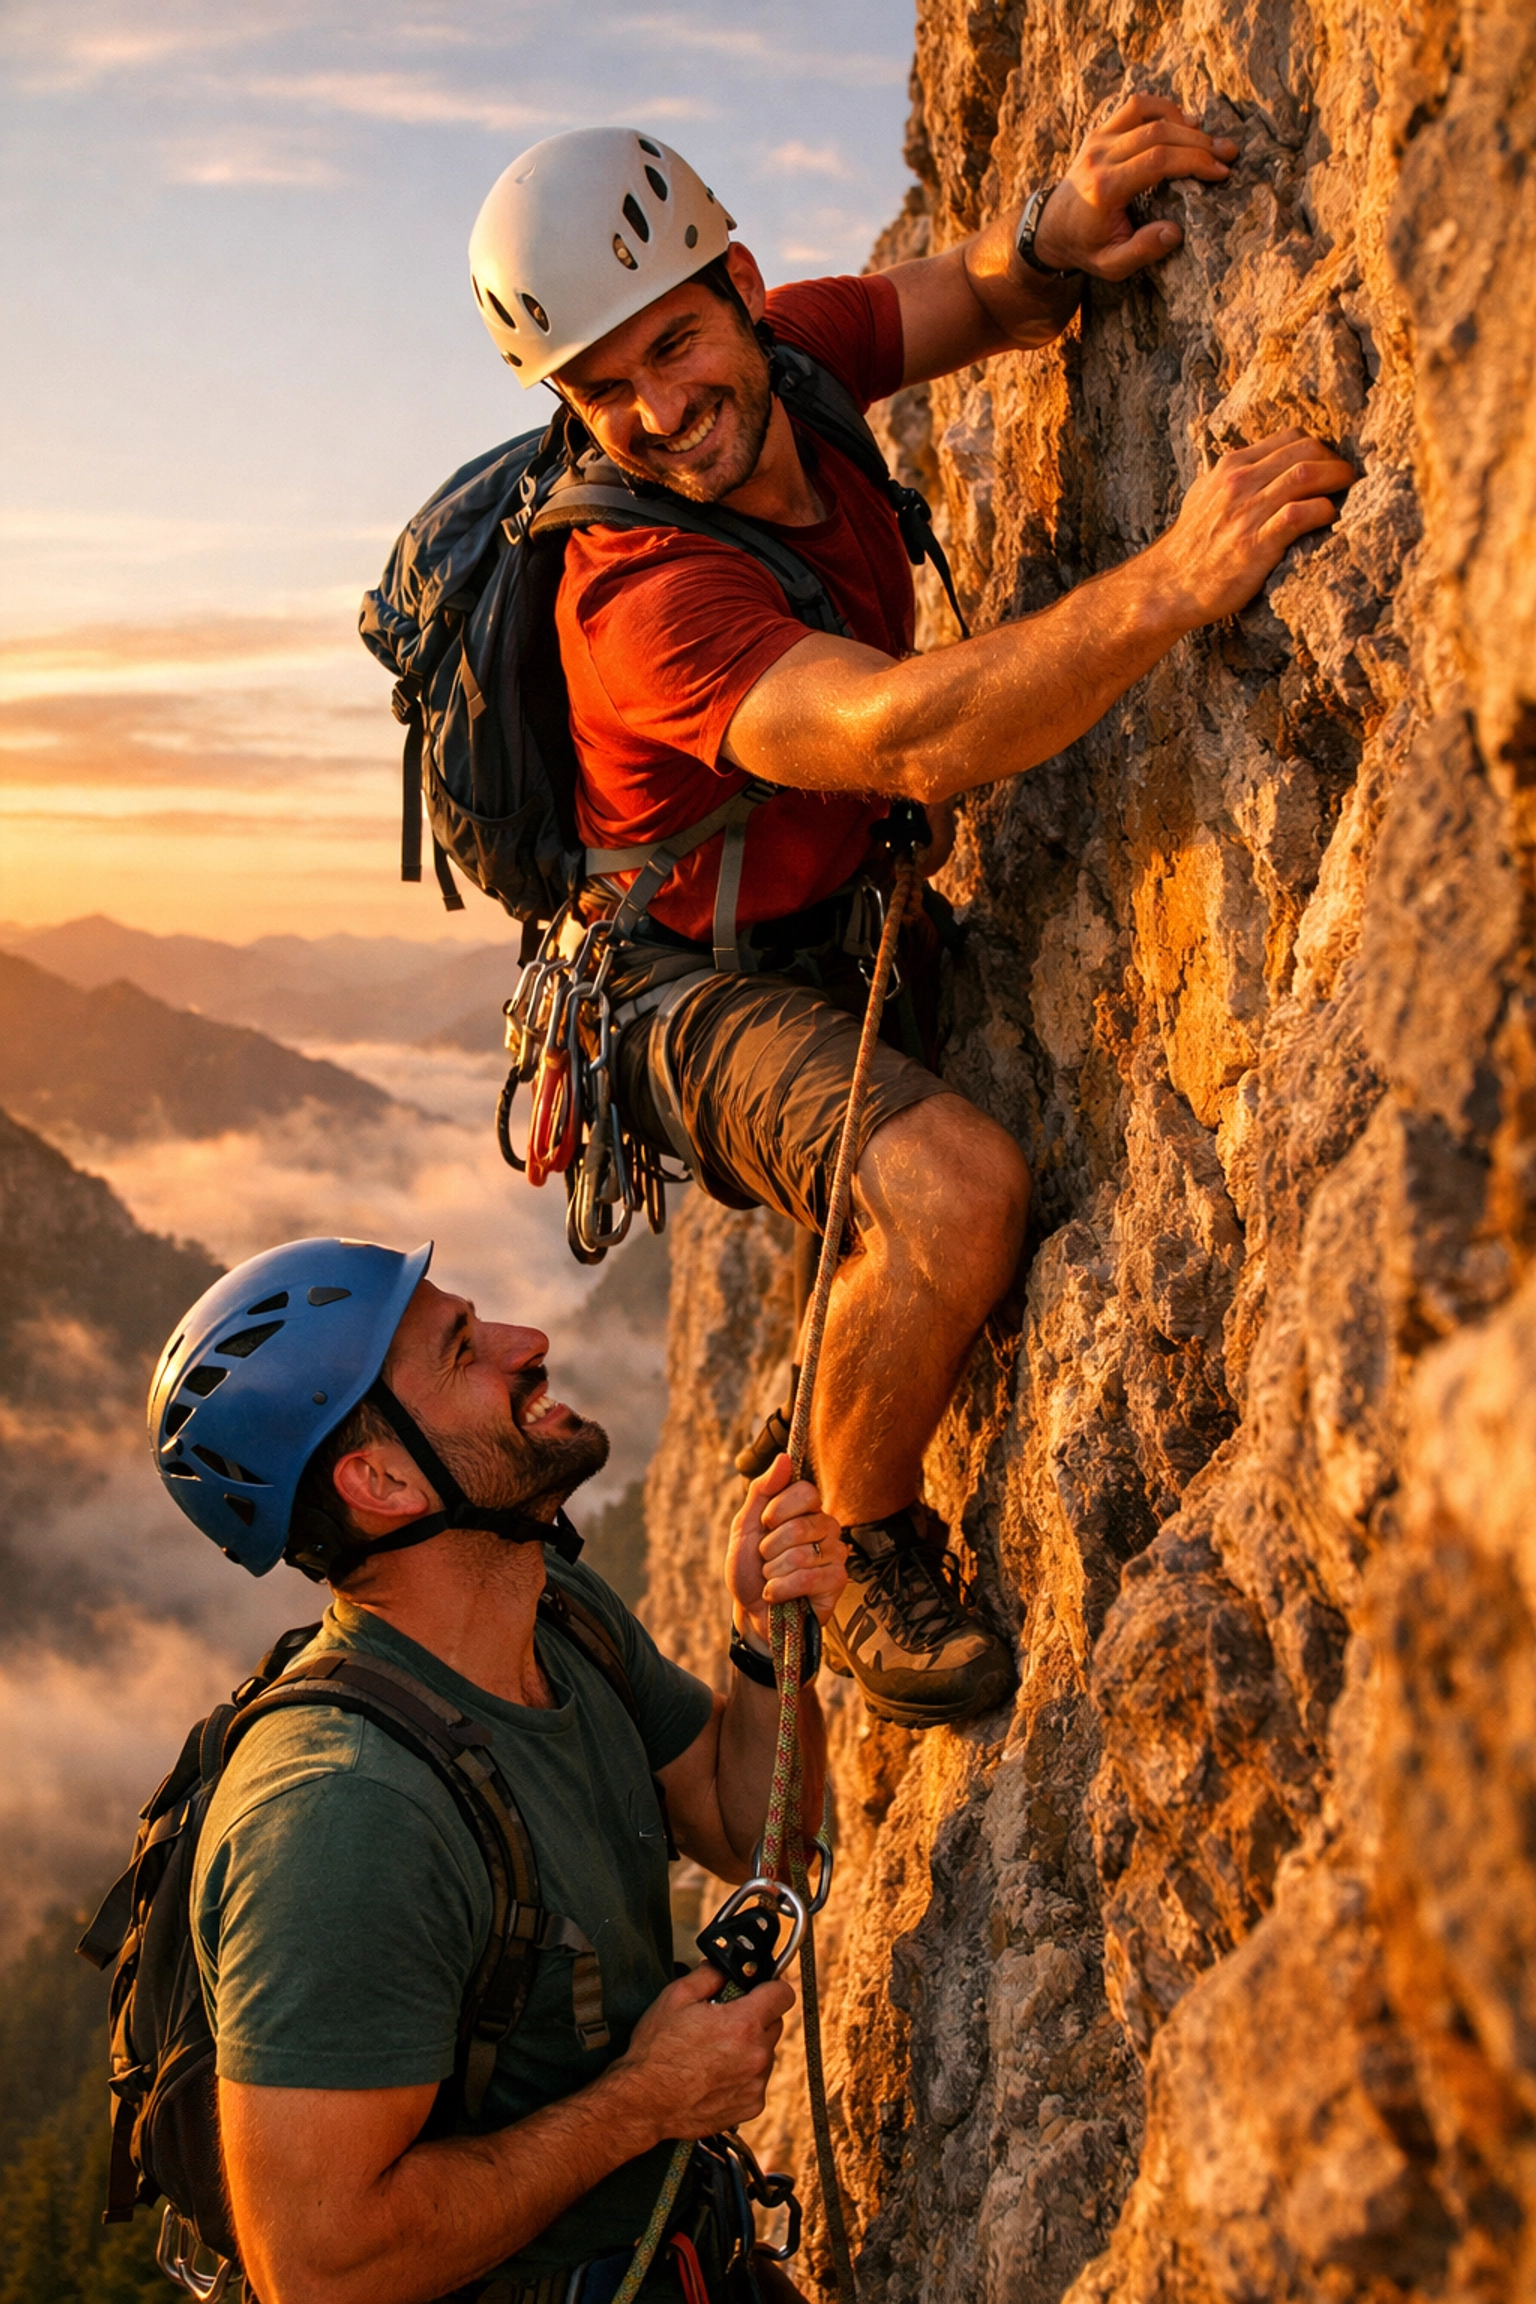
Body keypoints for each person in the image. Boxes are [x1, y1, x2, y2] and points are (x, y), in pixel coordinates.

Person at [465, 104, 1356, 1732]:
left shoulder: (794, 352)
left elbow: (992, 292)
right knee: (952, 1193)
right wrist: (1170, 579)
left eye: (676, 342)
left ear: (735, 284)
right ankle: (862, 1541)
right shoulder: (637, 594)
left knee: (907, 1203)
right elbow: (901, 736)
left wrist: (1062, 225)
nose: (664, 408)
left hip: (826, 923)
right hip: (680, 991)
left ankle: (827, 1394)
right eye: (607, 390)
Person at [151, 1234, 848, 2304]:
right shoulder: (344, 1816)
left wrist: (762, 1644)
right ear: (380, 1479)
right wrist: (643, 2103)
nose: (533, 1344)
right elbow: (323, 2267)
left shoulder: (557, 1614)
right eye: (465, 1350)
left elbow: (746, 1827)